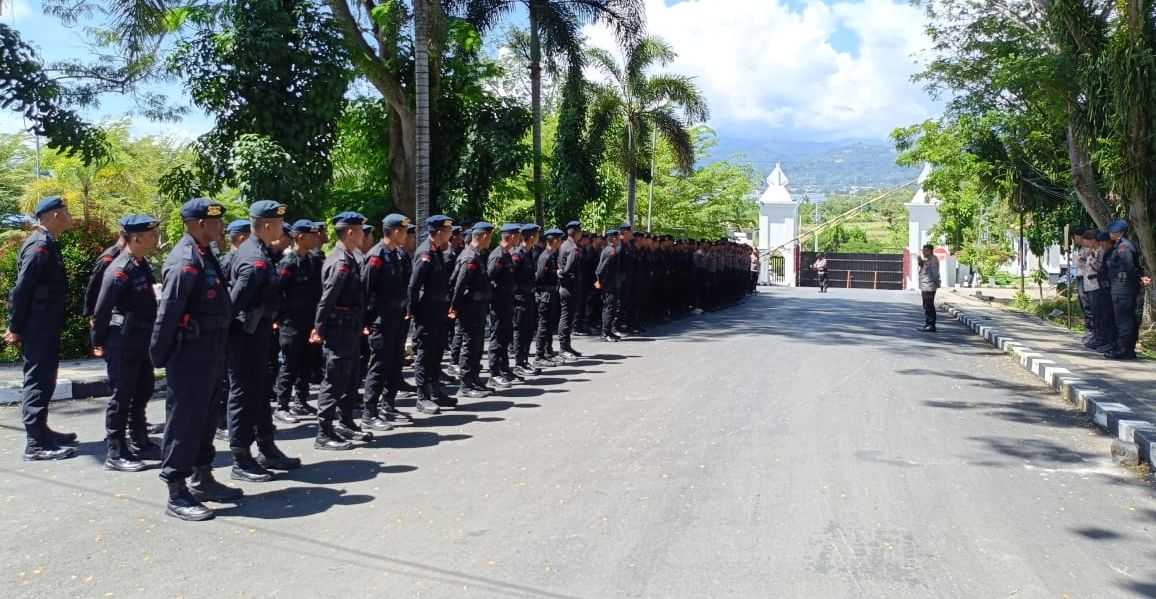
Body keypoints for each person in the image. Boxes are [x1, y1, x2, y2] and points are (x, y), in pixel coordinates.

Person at [151, 198, 241, 521]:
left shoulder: (205, 255)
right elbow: (169, 311)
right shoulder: (185, 260)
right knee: (185, 421)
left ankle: (202, 478)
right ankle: (176, 490)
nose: (221, 227)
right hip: (190, 355)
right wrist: (159, 355)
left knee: (205, 419)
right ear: (201, 224)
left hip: (210, 353)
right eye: (216, 222)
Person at [224, 200, 300, 480]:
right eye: (279, 224)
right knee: (243, 395)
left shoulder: (262, 252)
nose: (282, 229)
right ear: (268, 225)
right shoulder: (253, 258)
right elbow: (232, 305)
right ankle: (240, 458)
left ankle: (266, 448)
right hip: (245, 338)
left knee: (259, 392)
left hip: (258, 335)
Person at [4, 197, 77, 460]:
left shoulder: (48, 243)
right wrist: (15, 325)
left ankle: (42, 431)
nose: (70, 216)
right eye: (66, 212)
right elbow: (23, 289)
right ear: (55, 216)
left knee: (46, 379)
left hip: (45, 323)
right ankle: (35, 444)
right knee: (37, 380)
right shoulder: (40, 245)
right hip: (38, 324)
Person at [90, 215, 161, 472]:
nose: (155, 238)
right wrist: (98, 342)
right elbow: (102, 308)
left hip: (141, 339)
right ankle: (116, 450)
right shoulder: (119, 269)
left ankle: (140, 438)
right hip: (122, 340)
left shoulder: (141, 264)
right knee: (122, 395)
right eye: (151, 234)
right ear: (136, 238)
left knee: (143, 389)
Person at [312, 212, 373, 450]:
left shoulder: (349, 257)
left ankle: (345, 422)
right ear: (350, 232)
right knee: (335, 377)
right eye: (360, 230)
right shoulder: (340, 262)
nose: (363, 234)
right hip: (339, 328)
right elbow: (327, 300)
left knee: (349, 376)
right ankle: (323, 432)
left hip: (350, 326)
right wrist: (319, 328)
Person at [361, 214, 414, 430]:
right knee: (379, 366)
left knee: (394, 363)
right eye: (402, 231)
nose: (405, 235)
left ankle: (388, 405)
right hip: (380, 321)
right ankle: (369, 412)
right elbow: (365, 290)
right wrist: (365, 322)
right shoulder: (376, 256)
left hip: (396, 318)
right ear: (393, 232)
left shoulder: (396, 255)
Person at [273, 220, 323, 423]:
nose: (315, 238)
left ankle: (301, 402)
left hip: (309, 321)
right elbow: (277, 291)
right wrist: (278, 318)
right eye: (311, 235)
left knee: (306, 363)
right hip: (291, 323)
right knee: (290, 364)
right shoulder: (288, 262)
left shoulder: (313, 260)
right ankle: (282, 404)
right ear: (300, 237)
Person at [408, 215, 457, 415]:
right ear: (439, 232)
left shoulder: (437, 251)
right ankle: (422, 396)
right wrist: (411, 310)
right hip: (426, 311)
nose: (450, 235)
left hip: (438, 311)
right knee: (424, 353)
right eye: (448, 231)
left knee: (436, 352)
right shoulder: (426, 252)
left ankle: (435, 390)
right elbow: (414, 284)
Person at [451, 222, 495, 399]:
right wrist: (454, 306)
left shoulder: (475, 255)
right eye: (489, 236)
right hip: (469, 309)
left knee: (476, 345)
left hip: (478, 308)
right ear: (483, 236)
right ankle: (465, 383)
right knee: (469, 346)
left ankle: (474, 378)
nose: (490, 240)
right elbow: (459, 285)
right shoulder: (469, 257)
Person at [1103, 219, 1151, 359]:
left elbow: (1130, 266)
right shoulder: (1120, 245)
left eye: (1112, 231)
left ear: (1118, 232)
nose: (1110, 234)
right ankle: (1126, 348)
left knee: (1123, 320)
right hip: (1121, 288)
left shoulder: (1124, 247)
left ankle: (1124, 349)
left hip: (1124, 288)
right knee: (1125, 319)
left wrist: (1138, 279)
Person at [487, 224, 520, 386]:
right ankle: (494, 372)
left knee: (505, 336)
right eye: (517, 235)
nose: (519, 238)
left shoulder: (506, 254)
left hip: (508, 301)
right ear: (511, 237)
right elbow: (490, 277)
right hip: (499, 302)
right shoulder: (498, 255)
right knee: (497, 336)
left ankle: (504, 367)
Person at [512, 224, 541, 376]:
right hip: (519, 298)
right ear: (530, 237)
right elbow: (511, 278)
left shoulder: (529, 253)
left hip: (529, 296)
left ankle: (524, 360)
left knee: (529, 330)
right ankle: (519, 362)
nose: (537, 237)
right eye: (536, 235)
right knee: (520, 331)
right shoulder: (517, 254)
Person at [535, 228, 564, 362]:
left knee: (549, 324)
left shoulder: (551, 256)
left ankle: (548, 352)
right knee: (544, 324)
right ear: (555, 241)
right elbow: (539, 277)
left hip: (552, 292)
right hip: (545, 294)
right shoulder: (545, 257)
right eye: (560, 240)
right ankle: (540, 354)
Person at [556, 221, 583, 361]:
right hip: (569, 286)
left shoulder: (565, 244)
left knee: (568, 316)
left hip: (567, 285)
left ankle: (567, 345)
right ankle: (563, 347)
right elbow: (568, 268)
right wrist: (563, 273)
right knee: (567, 317)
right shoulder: (572, 247)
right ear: (577, 232)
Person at [596, 228, 622, 342]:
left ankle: (608, 331)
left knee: (612, 307)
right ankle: (605, 332)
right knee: (609, 307)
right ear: (614, 239)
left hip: (611, 282)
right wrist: (601, 282)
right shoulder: (611, 251)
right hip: (609, 283)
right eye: (618, 238)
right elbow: (600, 269)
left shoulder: (608, 249)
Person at [917, 244, 940, 332]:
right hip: (925, 286)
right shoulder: (928, 260)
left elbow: (935, 274)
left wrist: (937, 283)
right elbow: (925, 270)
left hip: (929, 286)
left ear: (930, 250)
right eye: (923, 250)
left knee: (929, 305)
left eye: (925, 250)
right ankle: (927, 324)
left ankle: (931, 325)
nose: (923, 252)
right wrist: (921, 263)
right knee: (926, 305)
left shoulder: (933, 260)